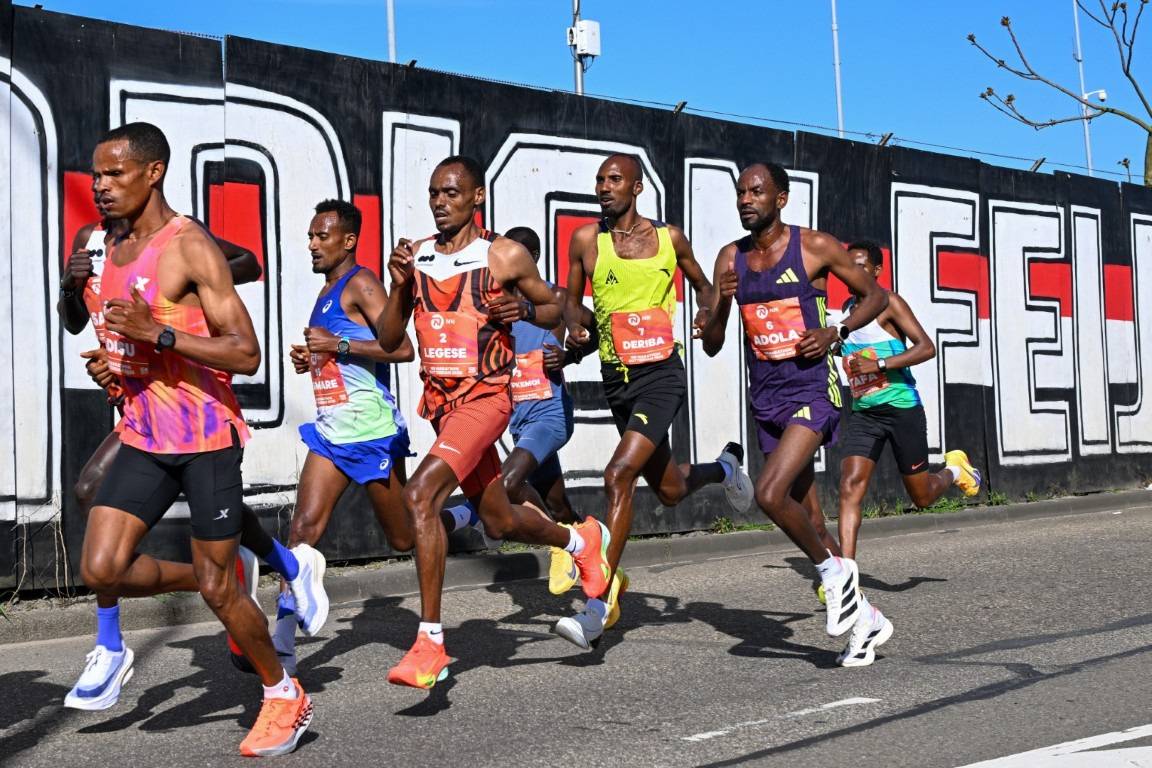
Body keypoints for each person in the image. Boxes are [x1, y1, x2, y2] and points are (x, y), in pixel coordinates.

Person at [77, 121, 313, 755]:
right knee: (102, 567)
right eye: (96, 174)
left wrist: (159, 334)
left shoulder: (189, 246)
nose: (100, 186)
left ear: (153, 172)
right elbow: (115, 333)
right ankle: (225, 575)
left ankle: (283, 693)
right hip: (144, 431)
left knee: (218, 590)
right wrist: (116, 364)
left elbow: (245, 351)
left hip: (205, 435)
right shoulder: (102, 245)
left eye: (114, 173)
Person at [377, 155, 611, 688]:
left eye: (452, 192)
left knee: (420, 497)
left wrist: (523, 312)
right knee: (500, 521)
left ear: (476, 197)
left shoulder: (502, 254)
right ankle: (581, 542)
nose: (441, 202)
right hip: (442, 407)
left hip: (485, 400)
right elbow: (391, 340)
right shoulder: (417, 256)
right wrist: (397, 286)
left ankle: (430, 642)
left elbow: (556, 308)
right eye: (434, 193)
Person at [558, 153, 754, 650]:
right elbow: (572, 305)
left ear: (637, 187)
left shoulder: (670, 238)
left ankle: (597, 605)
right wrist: (575, 330)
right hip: (616, 379)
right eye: (599, 180)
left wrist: (708, 314)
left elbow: (705, 290)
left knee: (617, 475)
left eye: (614, 179)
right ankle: (725, 469)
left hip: (661, 375)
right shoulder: (586, 241)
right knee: (668, 490)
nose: (604, 187)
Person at [700, 162, 891, 668]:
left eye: (756, 191)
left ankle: (832, 573)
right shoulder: (730, 258)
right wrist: (721, 302)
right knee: (810, 520)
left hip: (812, 387)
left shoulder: (814, 247)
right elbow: (713, 344)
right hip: (766, 396)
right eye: (741, 192)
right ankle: (867, 621)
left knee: (769, 493)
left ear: (780, 198)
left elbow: (876, 295)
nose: (746, 200)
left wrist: (836, 332)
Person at [274, 198, 420, 673]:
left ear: (349, 240)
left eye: (322, 236)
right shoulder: (326, 290)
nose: (312, 244)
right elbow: (341, 353)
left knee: (403, 537)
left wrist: (335, 345)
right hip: (331, 432)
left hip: (371, 432)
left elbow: (402, 349)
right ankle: (282, 648)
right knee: (301, 531)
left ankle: (461, 515)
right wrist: (315, 359)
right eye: (310, 236)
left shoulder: (362, 283)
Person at [440, 225, 596, 595]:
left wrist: (570, 355)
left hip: (550, 417)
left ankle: (464, 517)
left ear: (532, 259)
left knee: (507, 483)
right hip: (518, 421)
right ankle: (599, 560)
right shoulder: (493, 305)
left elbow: (595, 331)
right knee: (557, 506)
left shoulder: (556, 299)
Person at [837, 239, 982, 563]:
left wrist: (878, 364)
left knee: (922, 497)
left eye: (859, 266)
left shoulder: (889, 303)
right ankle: (845, 575)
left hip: (902, 410)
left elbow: (926, 347)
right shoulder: (846, 312)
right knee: (849, 487)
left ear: (876, 270)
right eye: (846, 267)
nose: (851, 273)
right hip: (865, 414)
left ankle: (955, 471)